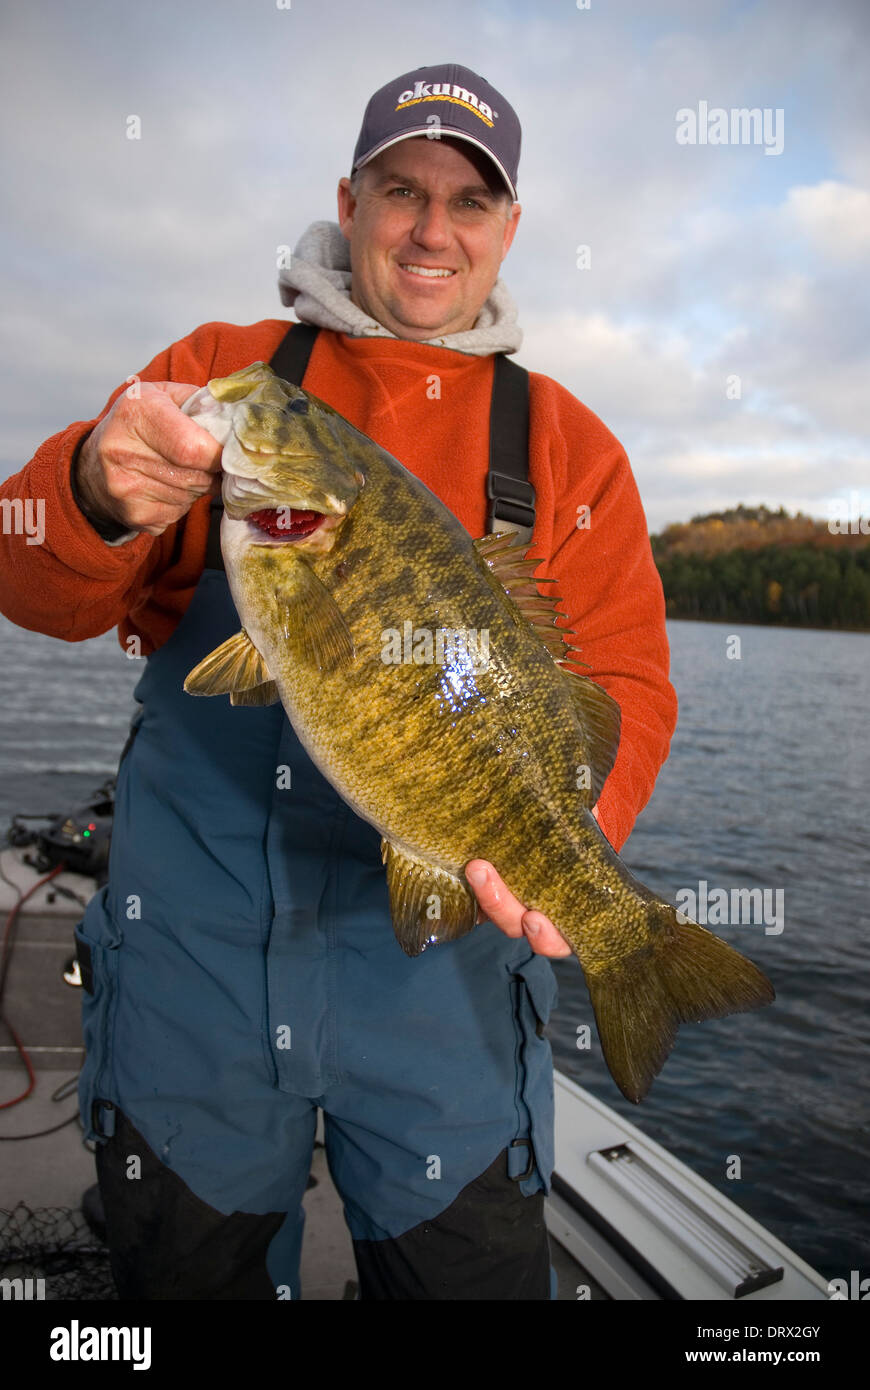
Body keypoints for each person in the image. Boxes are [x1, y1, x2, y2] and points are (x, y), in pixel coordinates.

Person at [0, 63, 677, 1300]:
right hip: (192, 973)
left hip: (446, 992)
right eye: (401, 189)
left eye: (470, 201)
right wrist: (98, 492)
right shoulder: (224, 372)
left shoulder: (571, 443)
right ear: (350, 199)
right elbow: (35, 581)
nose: (433, 228)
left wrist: (567, 845)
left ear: (508, 230)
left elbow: (626, 676)